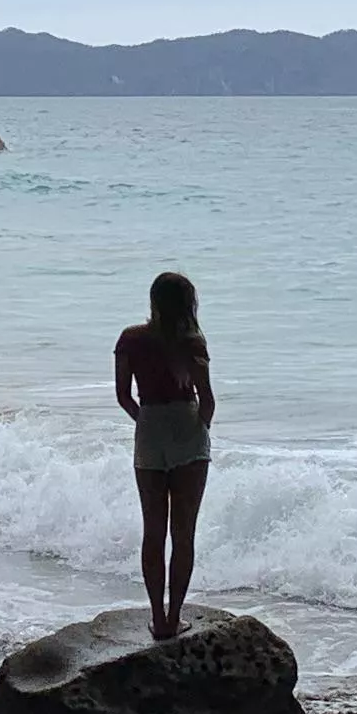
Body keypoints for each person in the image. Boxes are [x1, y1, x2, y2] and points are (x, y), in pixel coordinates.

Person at [115, 269, 216, 637]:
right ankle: (175, 617)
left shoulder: (130, 340)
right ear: (188, 304)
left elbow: (123, 396)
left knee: (153, 531)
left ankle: (157, 618)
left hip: (150, 430)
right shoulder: (192, 342)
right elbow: (207, 400)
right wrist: (198, 428)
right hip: (186, 430)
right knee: (184, 532)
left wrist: (146, 421)